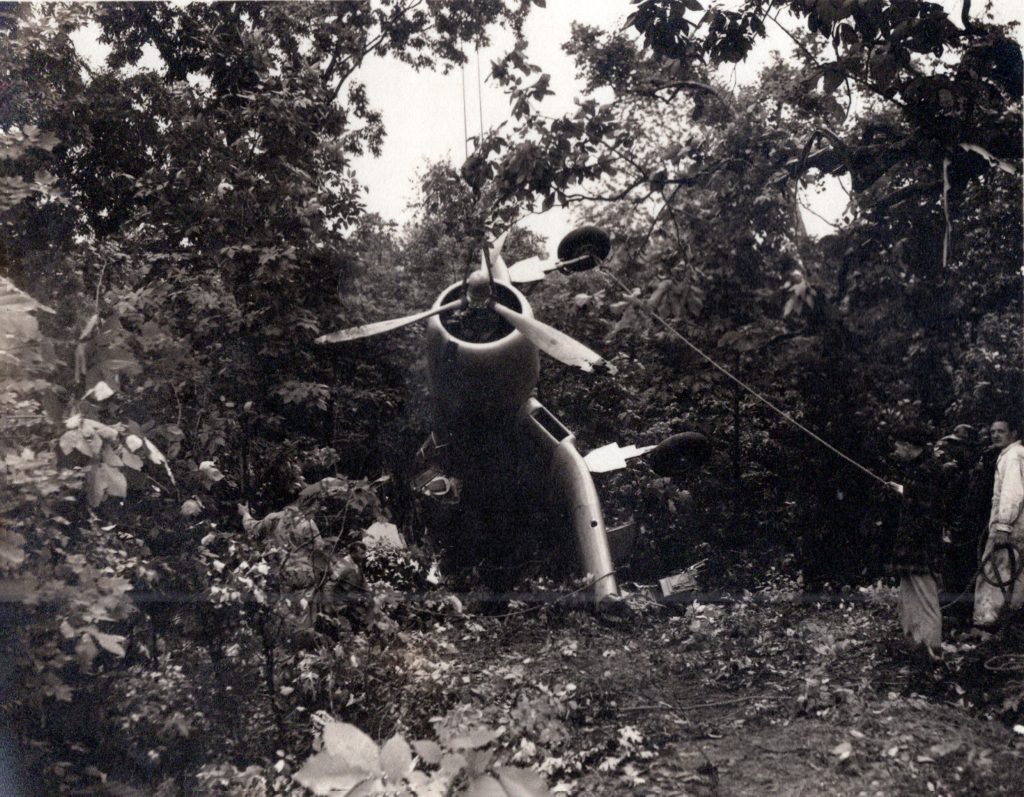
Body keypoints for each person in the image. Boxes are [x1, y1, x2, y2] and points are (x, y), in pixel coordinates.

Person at [887, 423, 945, 653]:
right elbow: (919, 497)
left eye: (898, 447)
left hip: (921, 546)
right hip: (911, 546)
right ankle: (914, 644)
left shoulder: (928, 469)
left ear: (909, 446)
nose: (896, 452)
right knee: (909, 596)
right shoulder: (918, 467)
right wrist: (902, 490)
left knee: (925, 596)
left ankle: (932, 648)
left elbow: (929, 509)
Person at [973, 417, 1024, 628]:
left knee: (997, 575)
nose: (995, 435)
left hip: (1010, 528)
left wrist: (1003, 525)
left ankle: (989, 624)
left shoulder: (1013, 456)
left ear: (1013, 434)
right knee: (1015, 575)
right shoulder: (1012, 454)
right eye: (992, 431)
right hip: (1016, 525)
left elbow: (1012, 493)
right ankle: (1009, 624)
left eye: (1001, 431)